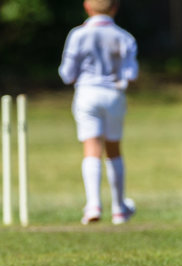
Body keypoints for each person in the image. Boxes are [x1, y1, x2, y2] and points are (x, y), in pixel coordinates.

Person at [59, 0, 138, 225]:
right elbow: (131, 73)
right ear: (115, 8)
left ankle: (93, 204)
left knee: (91, 148)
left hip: (87, 93)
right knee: (113, 149)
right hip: (113, 94)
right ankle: (119, 209)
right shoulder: (124, 36)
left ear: (87, 7)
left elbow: (67, 74)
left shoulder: (78, 35)